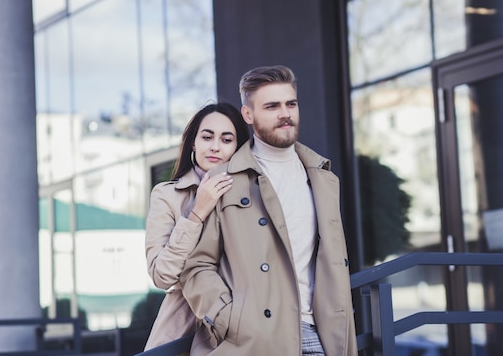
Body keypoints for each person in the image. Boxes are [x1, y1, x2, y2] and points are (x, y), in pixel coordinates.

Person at [180, 65, 357, 356]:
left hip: (319, 336)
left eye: (290, 104)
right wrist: (231, 319)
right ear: (248, 115)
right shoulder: (224, 179)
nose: (284, 113)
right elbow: (196, 266)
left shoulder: (322, 176)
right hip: (257, 341)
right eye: (272, 106)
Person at [144, 102, 250, 352]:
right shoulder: (167, 195)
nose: (215, 146)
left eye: (226, 139)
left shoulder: (252, 192)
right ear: (193, 142)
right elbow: (162, 275)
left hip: (244, 320)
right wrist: (197, 213)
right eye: (207, 137)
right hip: (186, 326)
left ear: (238, 147)